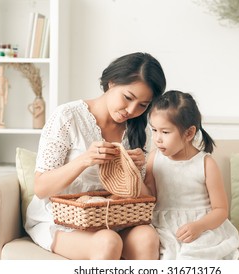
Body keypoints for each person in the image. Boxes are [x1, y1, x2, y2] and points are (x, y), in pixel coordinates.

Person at [24, 52, 166, 260]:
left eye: (143, 105)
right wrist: (84, 160)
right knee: (108, 241)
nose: (131, 110)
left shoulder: (139, 130)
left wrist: (135, 172)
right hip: (61, 219)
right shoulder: (67, 116)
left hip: (114, 218)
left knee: (147, 237)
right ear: (111, 82)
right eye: (128, 98)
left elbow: (144, 200)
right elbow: (41, 188)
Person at [144, 90, 239, 260]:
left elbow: (221, 210)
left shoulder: (205, 163)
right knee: (167, 256)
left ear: (188, 133)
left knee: (192, 257)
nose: (157, 139)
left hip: (202, 226)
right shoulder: (154, 159)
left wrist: (199, 226)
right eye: (154, 130)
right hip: (164, 227)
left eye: (165, 132)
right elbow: (149, 198)